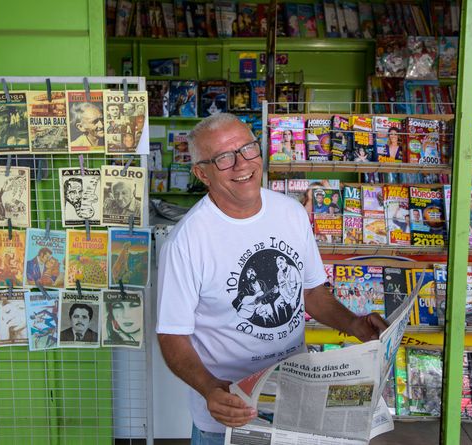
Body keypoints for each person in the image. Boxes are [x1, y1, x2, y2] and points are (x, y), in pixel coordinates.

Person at [156, 113, 387, 442]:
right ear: (201, 173)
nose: (241, 164)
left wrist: (355, 324)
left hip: (295, 395)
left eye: (248, 148)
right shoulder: (186, 242)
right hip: (230, 413)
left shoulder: (290, 213)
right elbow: (172, 336)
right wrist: (209, 388)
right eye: (223, 157)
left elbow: (312, 293)